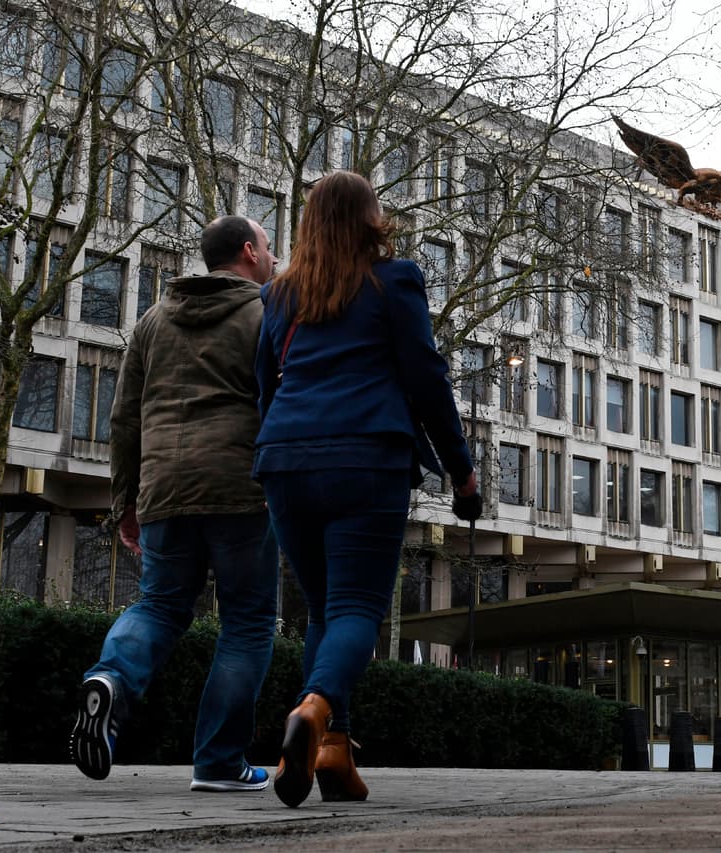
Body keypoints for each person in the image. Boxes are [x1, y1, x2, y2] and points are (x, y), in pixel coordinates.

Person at [253, 171, 477, 808]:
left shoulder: (279, 294)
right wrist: (461, 471)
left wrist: (277, 450)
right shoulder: (394, 280)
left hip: (286, 461)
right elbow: (426, 378)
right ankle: (313, 710)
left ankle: (333, 755)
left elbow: (265, 386)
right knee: (356, 609)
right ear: (370, 221)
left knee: (325, 610)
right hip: (365, 459)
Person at [70, 216, 280, 793]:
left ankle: (111, 679)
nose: (273, 257)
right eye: (268, 247)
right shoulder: (266, 313)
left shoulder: (153, 320)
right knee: (247, 622)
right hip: (240, 489)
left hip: (163, 487)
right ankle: (218, 763)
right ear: (248, 252)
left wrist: (125, 501)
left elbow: (123, 419)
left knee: (159, 605)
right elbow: (283, 399)